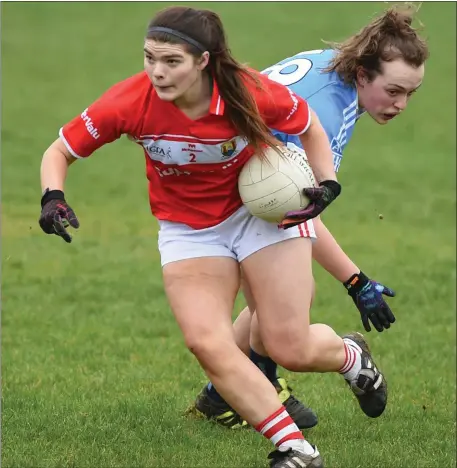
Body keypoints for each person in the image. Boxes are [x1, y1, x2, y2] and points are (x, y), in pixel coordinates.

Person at [38, 6, 388, 468]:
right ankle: (296, 449)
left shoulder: (249, 91)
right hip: (189, 231)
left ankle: (350, 358)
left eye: (171, 61)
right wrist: (53, 196)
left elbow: (308, 126)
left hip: (261, 218)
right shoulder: (130, 100)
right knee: (207, 341)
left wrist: (327, 184)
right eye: (149, 58)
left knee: (289, 346)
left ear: (204, 60)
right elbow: (59, 150)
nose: (157, 72)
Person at [192, 4, 429, 430]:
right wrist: (356, 282)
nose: (402, 104)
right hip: (231, 190)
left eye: (410, 93)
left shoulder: (333, 70)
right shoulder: (324, 111)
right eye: (394, 91)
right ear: (362, 73)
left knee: (275, 306)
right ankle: (345, 360)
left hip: (234, 182)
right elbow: (299, 211)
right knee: (288, 337)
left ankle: (227, 392)